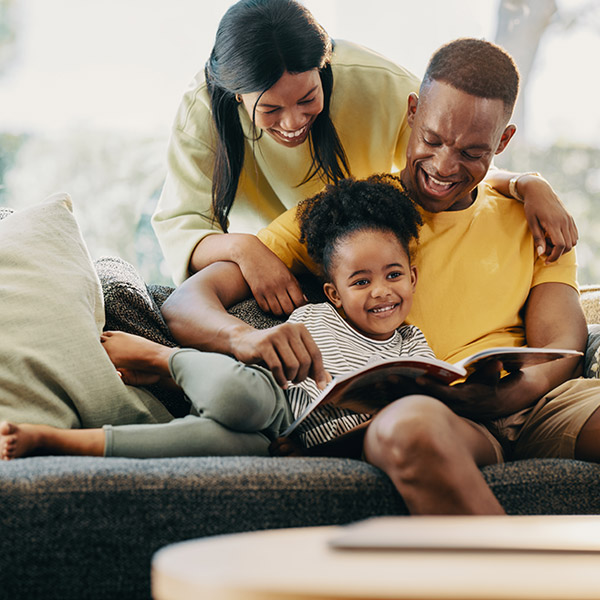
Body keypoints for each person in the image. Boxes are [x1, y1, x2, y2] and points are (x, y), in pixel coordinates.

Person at [159, 37, 600, 515]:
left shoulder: (530, 217)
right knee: (405, 427)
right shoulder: (351, 219)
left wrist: (524, 389)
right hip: (439, 417)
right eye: (431, 141)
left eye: (473, 152)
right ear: (412, 112)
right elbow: (185, 303)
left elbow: (563, 342)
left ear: (504, 142)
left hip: (539, 402)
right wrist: (242, 338)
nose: (444, 167)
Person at [152, 0, 577, 316]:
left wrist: (526, 184)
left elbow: (450, 163)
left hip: (364, 266)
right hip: (277, 256)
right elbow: (182, 225)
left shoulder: (379, 84)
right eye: (270, 110)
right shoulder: (203, 110)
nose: (293, 122)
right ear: (236, 96)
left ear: (324, 67)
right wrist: (246, 250)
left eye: (307, 99)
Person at [0, 175, 438, 460]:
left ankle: (56, 441)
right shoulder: (312, 318)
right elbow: (255, 369)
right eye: (360, 282)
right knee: (246, 399)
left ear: (413, 278)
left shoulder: (412, 343)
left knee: (225, 446)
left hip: (283, 444)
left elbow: (436, 401)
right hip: (271, 405)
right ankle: (161, 360)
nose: (381, 291)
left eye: (393, 275)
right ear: (334, 294)